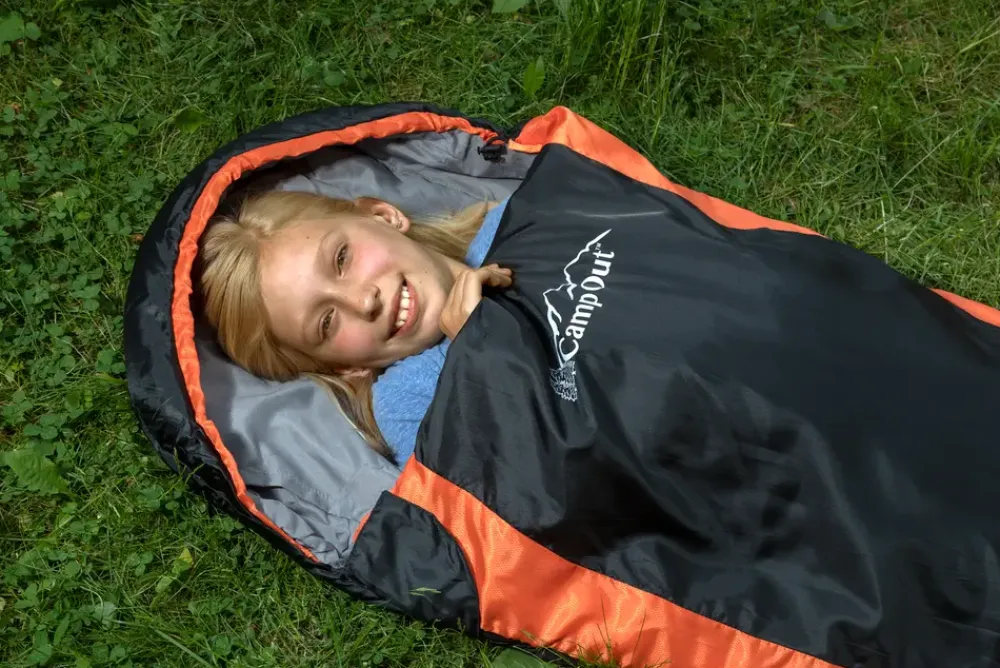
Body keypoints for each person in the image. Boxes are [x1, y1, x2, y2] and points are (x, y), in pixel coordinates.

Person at [198, 190, 513, 465]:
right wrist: (477, 351)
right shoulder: (410, 403)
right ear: (342, 367)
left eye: (341, 259)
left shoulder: (514, 220)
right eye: (327, 322)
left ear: (383, 216)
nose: (363, 301)